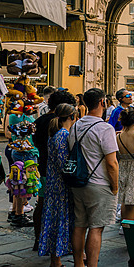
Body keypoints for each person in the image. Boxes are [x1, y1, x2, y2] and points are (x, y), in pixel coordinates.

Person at [68, 87, 119, 267]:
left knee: (79, 225)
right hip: (99, 184)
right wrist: (115, 187)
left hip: (77, 182)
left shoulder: (75, 126)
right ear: (102, 102)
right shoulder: (105, 128)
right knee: (96, 229)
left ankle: (78, 263)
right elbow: (112, 163)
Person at [33, 90, 77, 251]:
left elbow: (36, 142)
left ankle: (39, 239)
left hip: (43, 167)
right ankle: (56, 243)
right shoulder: (61, 130)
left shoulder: (40, 121)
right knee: (57, 210)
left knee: (42, 204)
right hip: (56, 173)